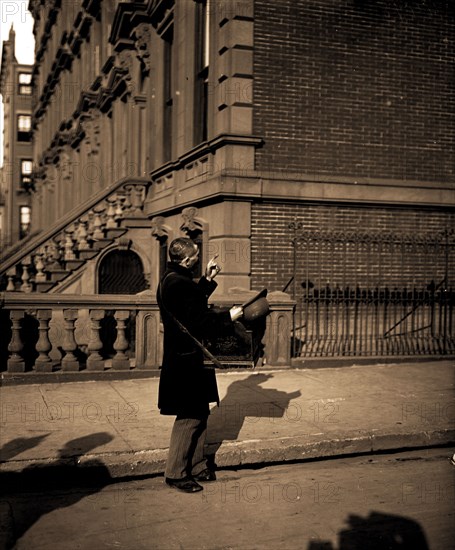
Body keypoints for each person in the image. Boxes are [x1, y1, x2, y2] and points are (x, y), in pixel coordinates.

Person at [157, 237, 243, 493]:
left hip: (187, 356)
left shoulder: (170, 278)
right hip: (187, 360)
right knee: (189, 416)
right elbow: (200, 321)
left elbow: (190, 304)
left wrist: (206, 279)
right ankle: (175, 472)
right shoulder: (179, 283)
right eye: (195, 257)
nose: (197, 259)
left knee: (200, 412)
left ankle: (196, 464)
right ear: (186, 259)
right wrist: (230, 316)